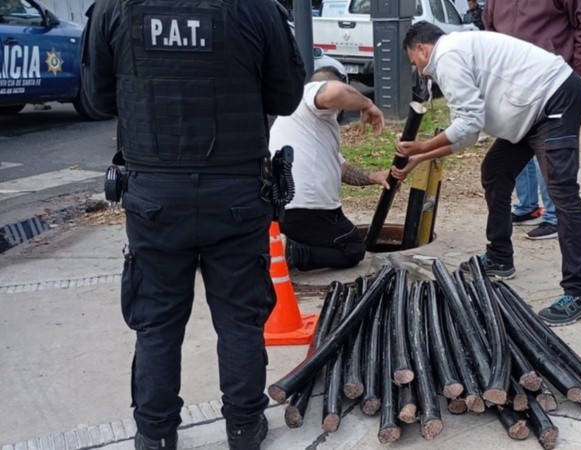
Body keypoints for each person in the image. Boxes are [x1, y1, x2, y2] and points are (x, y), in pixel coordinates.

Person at [81, 0, 305, 449]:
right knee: (240, 319)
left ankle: (155, 436)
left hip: (156, 198)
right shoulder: (257, 8)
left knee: (157, 323)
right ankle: (243, 428)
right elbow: (286, 96)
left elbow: (97, 97)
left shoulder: (115, 7)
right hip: (237, 195)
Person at [396, 22, 581, 326]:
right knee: (495, 170)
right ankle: (500, 258)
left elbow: (467, 124)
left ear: (422, 49)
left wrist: (422, 144)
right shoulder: (456, 52)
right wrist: (421, 157)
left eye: (415, 63)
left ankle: (580, 293)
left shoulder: (446, 56)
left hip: (555, 100)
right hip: (529, 114)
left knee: (562, 191)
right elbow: (467, 135)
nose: (420, 72)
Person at [482, 0, 581, 241]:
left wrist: (573, 72)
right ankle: (524, 211)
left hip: (552, 89)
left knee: (554, 170)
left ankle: (554, 217)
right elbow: (490, 29)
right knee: (499, 167)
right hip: (513, 91)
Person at [269, 66, 388, 271]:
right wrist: (367, 103)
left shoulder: (304, 121)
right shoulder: (309, 94)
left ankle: (298, 246)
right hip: (308, 208)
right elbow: (335, 92)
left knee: (327, 236)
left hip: (283, 207)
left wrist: (375, 176)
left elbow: (341, 168)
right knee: (352, 248)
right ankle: (298, 254)